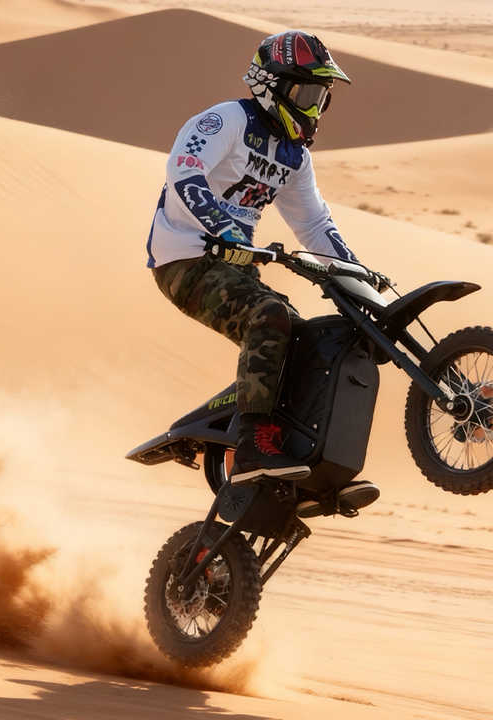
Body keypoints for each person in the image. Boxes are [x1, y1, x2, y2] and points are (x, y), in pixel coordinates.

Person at [147, 31, 379, 514]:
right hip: (186, 259)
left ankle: (300, 459)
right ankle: (254, 444)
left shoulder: (295, 156)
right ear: (272, 86)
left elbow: (314, 224)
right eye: (306, 93)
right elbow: (184, 171)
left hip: (235, 266)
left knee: (307, 339)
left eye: (321, 97)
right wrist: (223, 228)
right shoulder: (227, 121)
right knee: (269, 317)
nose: (314, 107)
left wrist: (356, 273)